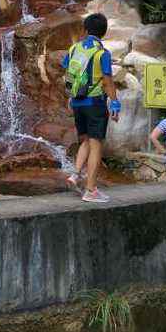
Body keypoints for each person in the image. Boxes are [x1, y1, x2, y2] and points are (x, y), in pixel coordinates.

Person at [62, 12, 120, 203]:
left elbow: (68, 71)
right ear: (103, 32)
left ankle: (75, 174)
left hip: (77, 102)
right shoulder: (102, 53)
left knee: (85, 140)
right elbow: (107, 81)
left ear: (85, 30)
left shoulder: (73, 49)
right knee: (96, 145)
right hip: (95, 103)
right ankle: (91, 190)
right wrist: (115, 102)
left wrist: (71, 95)